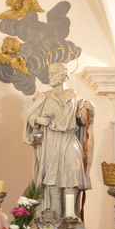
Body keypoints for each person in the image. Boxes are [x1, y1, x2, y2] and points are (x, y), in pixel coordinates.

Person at [23, 61, 93, 214]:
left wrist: (90, 110)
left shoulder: (75, 96)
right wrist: (40, 120)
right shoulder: (44, 96)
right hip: (51, 141)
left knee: (73, 175)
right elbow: (30, 117)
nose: (50, 76)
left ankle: (70, 218)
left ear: (63, 75)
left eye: (53, 73)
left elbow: (82, 120)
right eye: (49, 73)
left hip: (69, 139)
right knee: (52, 179)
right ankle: (54, 218)